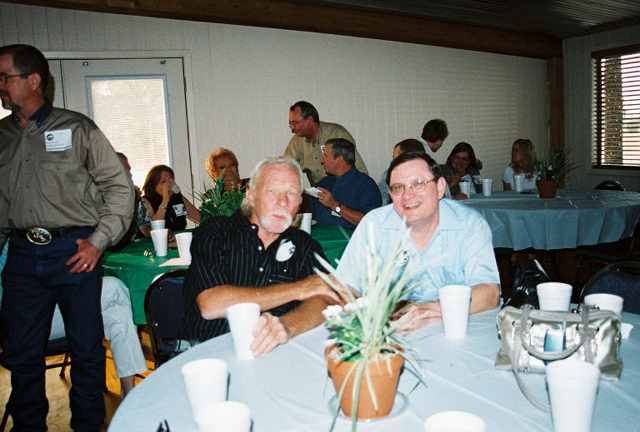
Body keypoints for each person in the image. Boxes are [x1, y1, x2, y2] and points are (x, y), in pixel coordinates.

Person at [0, 44, 135, 431]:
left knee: (87, 349)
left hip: (73, 251)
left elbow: (119, 188)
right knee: (21, 354)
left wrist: (99, 240)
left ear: (33, 80)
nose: (1, 85)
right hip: (21, 255)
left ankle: (88, 426)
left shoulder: (77, 129)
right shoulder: (2, 136)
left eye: (5, 77)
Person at [181, 156, 340, 354]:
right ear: (251, 196)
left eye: (292, 193)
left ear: (300, 202)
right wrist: (299, 289)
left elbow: (326, 298)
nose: (282, 202)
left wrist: (287, 326)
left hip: (278, 354)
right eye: (272, 191)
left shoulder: (304, 245)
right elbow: (211, 304)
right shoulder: (217, 232)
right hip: (210, 352)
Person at [337, 152, 500, 332]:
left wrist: (427, 310)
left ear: (440, 187)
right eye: (398, 187)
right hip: (390, 335)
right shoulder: (374, 225)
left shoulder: (469, 224)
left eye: (418, 184)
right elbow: (345, 287)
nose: (407, 195)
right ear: (390, 194)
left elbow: (490, 292)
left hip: (455, 330)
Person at [285, 101, 368, 186]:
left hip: (345, 188)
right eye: (290, 124)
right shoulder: (296, 142)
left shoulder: (337, 134)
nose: (292, 128)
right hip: (318, 191)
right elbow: (286, 168)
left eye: (295, 123)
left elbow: (359, 171)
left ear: (310, 120)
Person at [309, 138, 380, 230]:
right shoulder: (325, 183)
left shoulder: (366, 186)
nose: (322, 161)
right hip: (318, 237)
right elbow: (309, 213)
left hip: (349, 238)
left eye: (325, 156)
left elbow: (369, 222)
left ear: (339, 160)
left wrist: (334, 205)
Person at [141, 164, 201, 233]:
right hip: (159, 238)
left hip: (178, 237)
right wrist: (165, 201)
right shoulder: (146, 201)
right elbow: (154, 228)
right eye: (163, 181)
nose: (168, 183)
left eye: (170, 180)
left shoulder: (177, 196)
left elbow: (197, 216)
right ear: (153, 185)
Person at [377, 139, 426, 205]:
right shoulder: (388, 175)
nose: (393, 162)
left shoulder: (431, 175)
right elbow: (383, 202)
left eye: (395, 158)